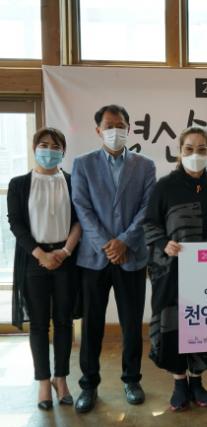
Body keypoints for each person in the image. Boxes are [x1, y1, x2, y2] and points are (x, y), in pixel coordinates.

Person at [71, 104, 156, 413]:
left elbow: (147, 208)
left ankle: (132, 379)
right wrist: (107, 244)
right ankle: (88, 384)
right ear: (98, 130)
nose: (115, 130)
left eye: (120, 125)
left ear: (128, 129)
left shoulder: (145, 165)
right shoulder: (83, 164)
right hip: (94, 257)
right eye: (109, 126)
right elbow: (82, 207)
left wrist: (124, 241)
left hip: (131, 256)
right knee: (92, 324)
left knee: (132, 323)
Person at [144, 126, 207, 411]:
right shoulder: (164, 186)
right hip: (171, 271)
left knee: (203, 323)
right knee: (173, 325)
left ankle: (197, 380)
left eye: (202, 149)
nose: (195, 154)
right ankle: (179, 382)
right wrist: (163, 243)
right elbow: (150, 223)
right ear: (179, 152)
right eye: (189, 148)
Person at [7, 128, 82, 410]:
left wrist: (64, 251)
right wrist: (41, 255)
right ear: (34, 148)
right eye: (43, 145)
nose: (49, 150)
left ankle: (61, 379)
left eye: (55, 146)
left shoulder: (73, 182)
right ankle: (42, 381)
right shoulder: (19, 184)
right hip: (34, 259)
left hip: (65, 258)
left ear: (63, 151)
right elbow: (16, 223)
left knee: (63, 321)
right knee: (38, 324)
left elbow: (80, 220)